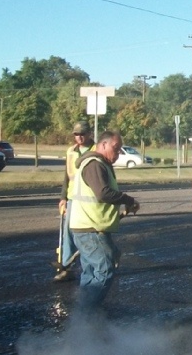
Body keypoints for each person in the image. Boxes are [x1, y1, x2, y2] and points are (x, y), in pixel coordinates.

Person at [69, 130, 140, 310]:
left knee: (91, 272)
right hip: (91, 229)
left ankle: (83, 314)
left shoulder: (98, 164)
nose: (118, 153)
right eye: (115, 148)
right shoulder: (95, 164)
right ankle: (87, 312)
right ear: (103, 144)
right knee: (105, 270)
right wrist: (128, 200)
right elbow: (103, 193)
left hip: (87, 227)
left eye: (120, 149)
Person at [54, 121, 94, 282]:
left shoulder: (96, 150)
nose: (79, 137)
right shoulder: (71, 151)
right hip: (72, 198)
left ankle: (94, 266)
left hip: (90, 200)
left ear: (89, 134)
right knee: (68, 233)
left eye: (82, 134)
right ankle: (66, 267)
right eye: (76, 134)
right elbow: (67, 175)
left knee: (90, 233)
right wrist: (63, 197)